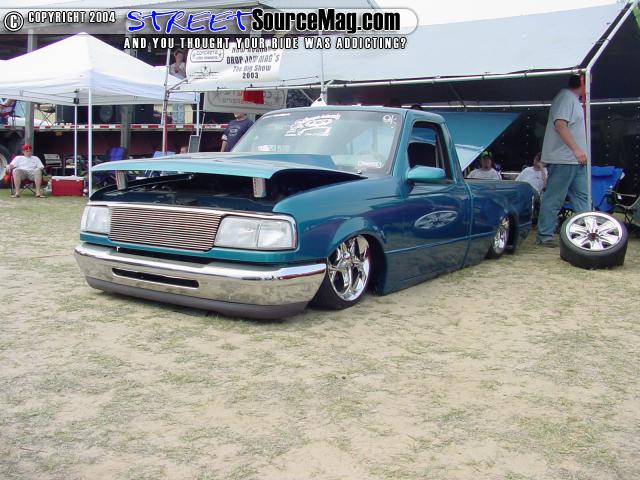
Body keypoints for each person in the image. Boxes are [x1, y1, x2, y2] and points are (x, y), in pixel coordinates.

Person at [536, 75, 589, 247]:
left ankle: (588, 231)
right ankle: (545, 235)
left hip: (575, 161)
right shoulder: (566, 97)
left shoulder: (572, 100)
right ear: (583, 82)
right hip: (564, 159)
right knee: (555, 198)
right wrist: (576, 149)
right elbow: (560, 124)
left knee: (583, 198)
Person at [169, 50, 186, 124]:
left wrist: (180, 70)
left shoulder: (184, 65)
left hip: (181, 85)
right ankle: (174, 120)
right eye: (179, 56)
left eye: (181, 56)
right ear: (175, 56)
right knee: (174, 104)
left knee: (181, 103)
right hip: (174, 86)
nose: (180, 57)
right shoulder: (171, 66)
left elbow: (186, 75)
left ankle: (181, 121)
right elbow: (169, 76)